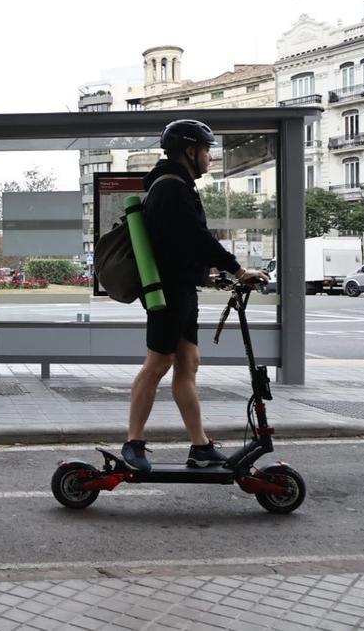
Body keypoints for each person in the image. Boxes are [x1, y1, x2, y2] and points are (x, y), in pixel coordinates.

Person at [123, 119, 267, 472]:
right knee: (158, 364)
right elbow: (195, 238)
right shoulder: (172, 187)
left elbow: (180, 243)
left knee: (188, 363)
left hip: (181, 288)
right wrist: (236, 269)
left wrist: (210, 276)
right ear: (191, 152)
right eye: (206, 151)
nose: (210, 158)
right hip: (168, 291)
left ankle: (200, 447)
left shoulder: (175, 184)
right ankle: (133, 442)